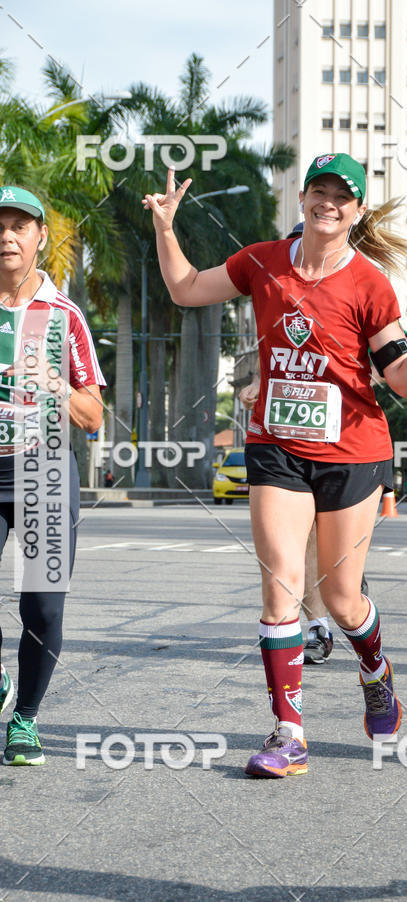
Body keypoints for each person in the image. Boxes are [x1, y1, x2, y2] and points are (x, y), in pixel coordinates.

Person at [144, 153, 407, 778]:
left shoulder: (370, 283)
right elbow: (187, 289)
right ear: (304, 199)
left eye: (341, 195)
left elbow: (398, 379)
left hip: (353, 452)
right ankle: (289, 731)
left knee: (344, 601)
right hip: (277, 448)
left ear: (358, 210)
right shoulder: (262, 261)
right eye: (318, 191)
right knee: (280, 588)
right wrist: (166, 229)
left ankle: (376, 672)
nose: (328, 202)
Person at [0, 186, 104, 765]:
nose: (7, 237)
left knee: (42, 607)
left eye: (19, 226)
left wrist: (54, 382)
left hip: (42, 472)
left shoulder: (63, 315)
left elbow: (92, 417)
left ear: (40, 237)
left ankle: (25, 721)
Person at [239, 370, 336, 665]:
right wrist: (258, 382)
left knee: (336, 548)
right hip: (285, 442)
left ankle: (346, 578)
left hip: (345, 443)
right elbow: (270, 349)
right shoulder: (274, 320)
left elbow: (391, 367)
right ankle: (318, 627)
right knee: (302, 539)